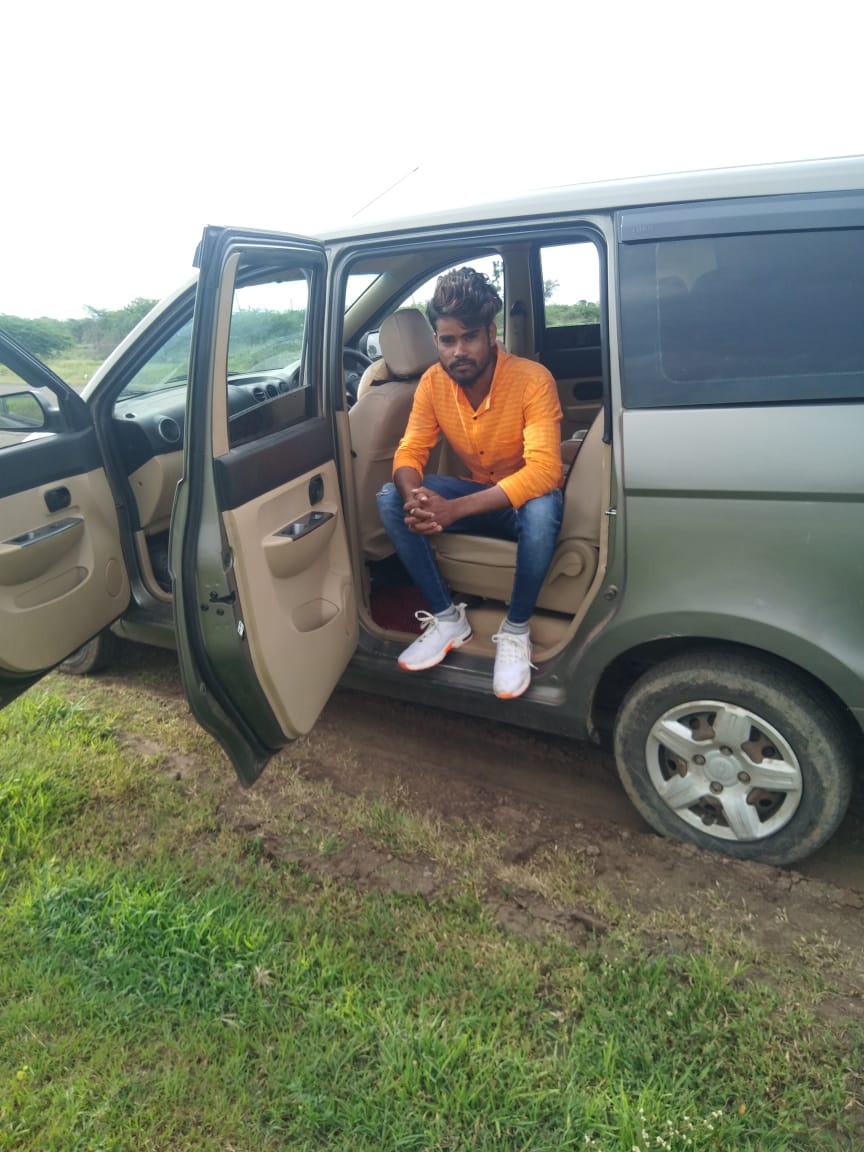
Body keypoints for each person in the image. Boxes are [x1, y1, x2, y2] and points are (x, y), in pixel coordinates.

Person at [376, 266, 563, 699]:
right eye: (447, 340)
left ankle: (515, 630)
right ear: (436, 341)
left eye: (470, 337)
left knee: (543, 507)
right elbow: (410, 450)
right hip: (479, 493)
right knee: (389, 497)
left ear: (491, 334)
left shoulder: (532, 379)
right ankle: (447, 619)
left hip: (522, 501)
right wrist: (416, 499)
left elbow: (544, 471)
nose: (459, 351)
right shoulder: (432, 383)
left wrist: (452, 510)